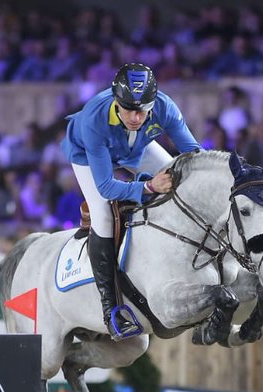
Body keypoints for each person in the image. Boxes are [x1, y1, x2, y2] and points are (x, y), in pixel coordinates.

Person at [63, 62, 200, 338]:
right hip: (87, 152)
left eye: (142, 110)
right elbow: (106, 186)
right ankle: (110, 308)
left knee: (182, 179)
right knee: (103, 215)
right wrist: (148, 186)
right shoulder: (94, 118)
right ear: (116, 100)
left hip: (136, 146)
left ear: (153, 103)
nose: (135, 117)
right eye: (128, 109)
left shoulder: (165, 107)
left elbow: (194, 155)